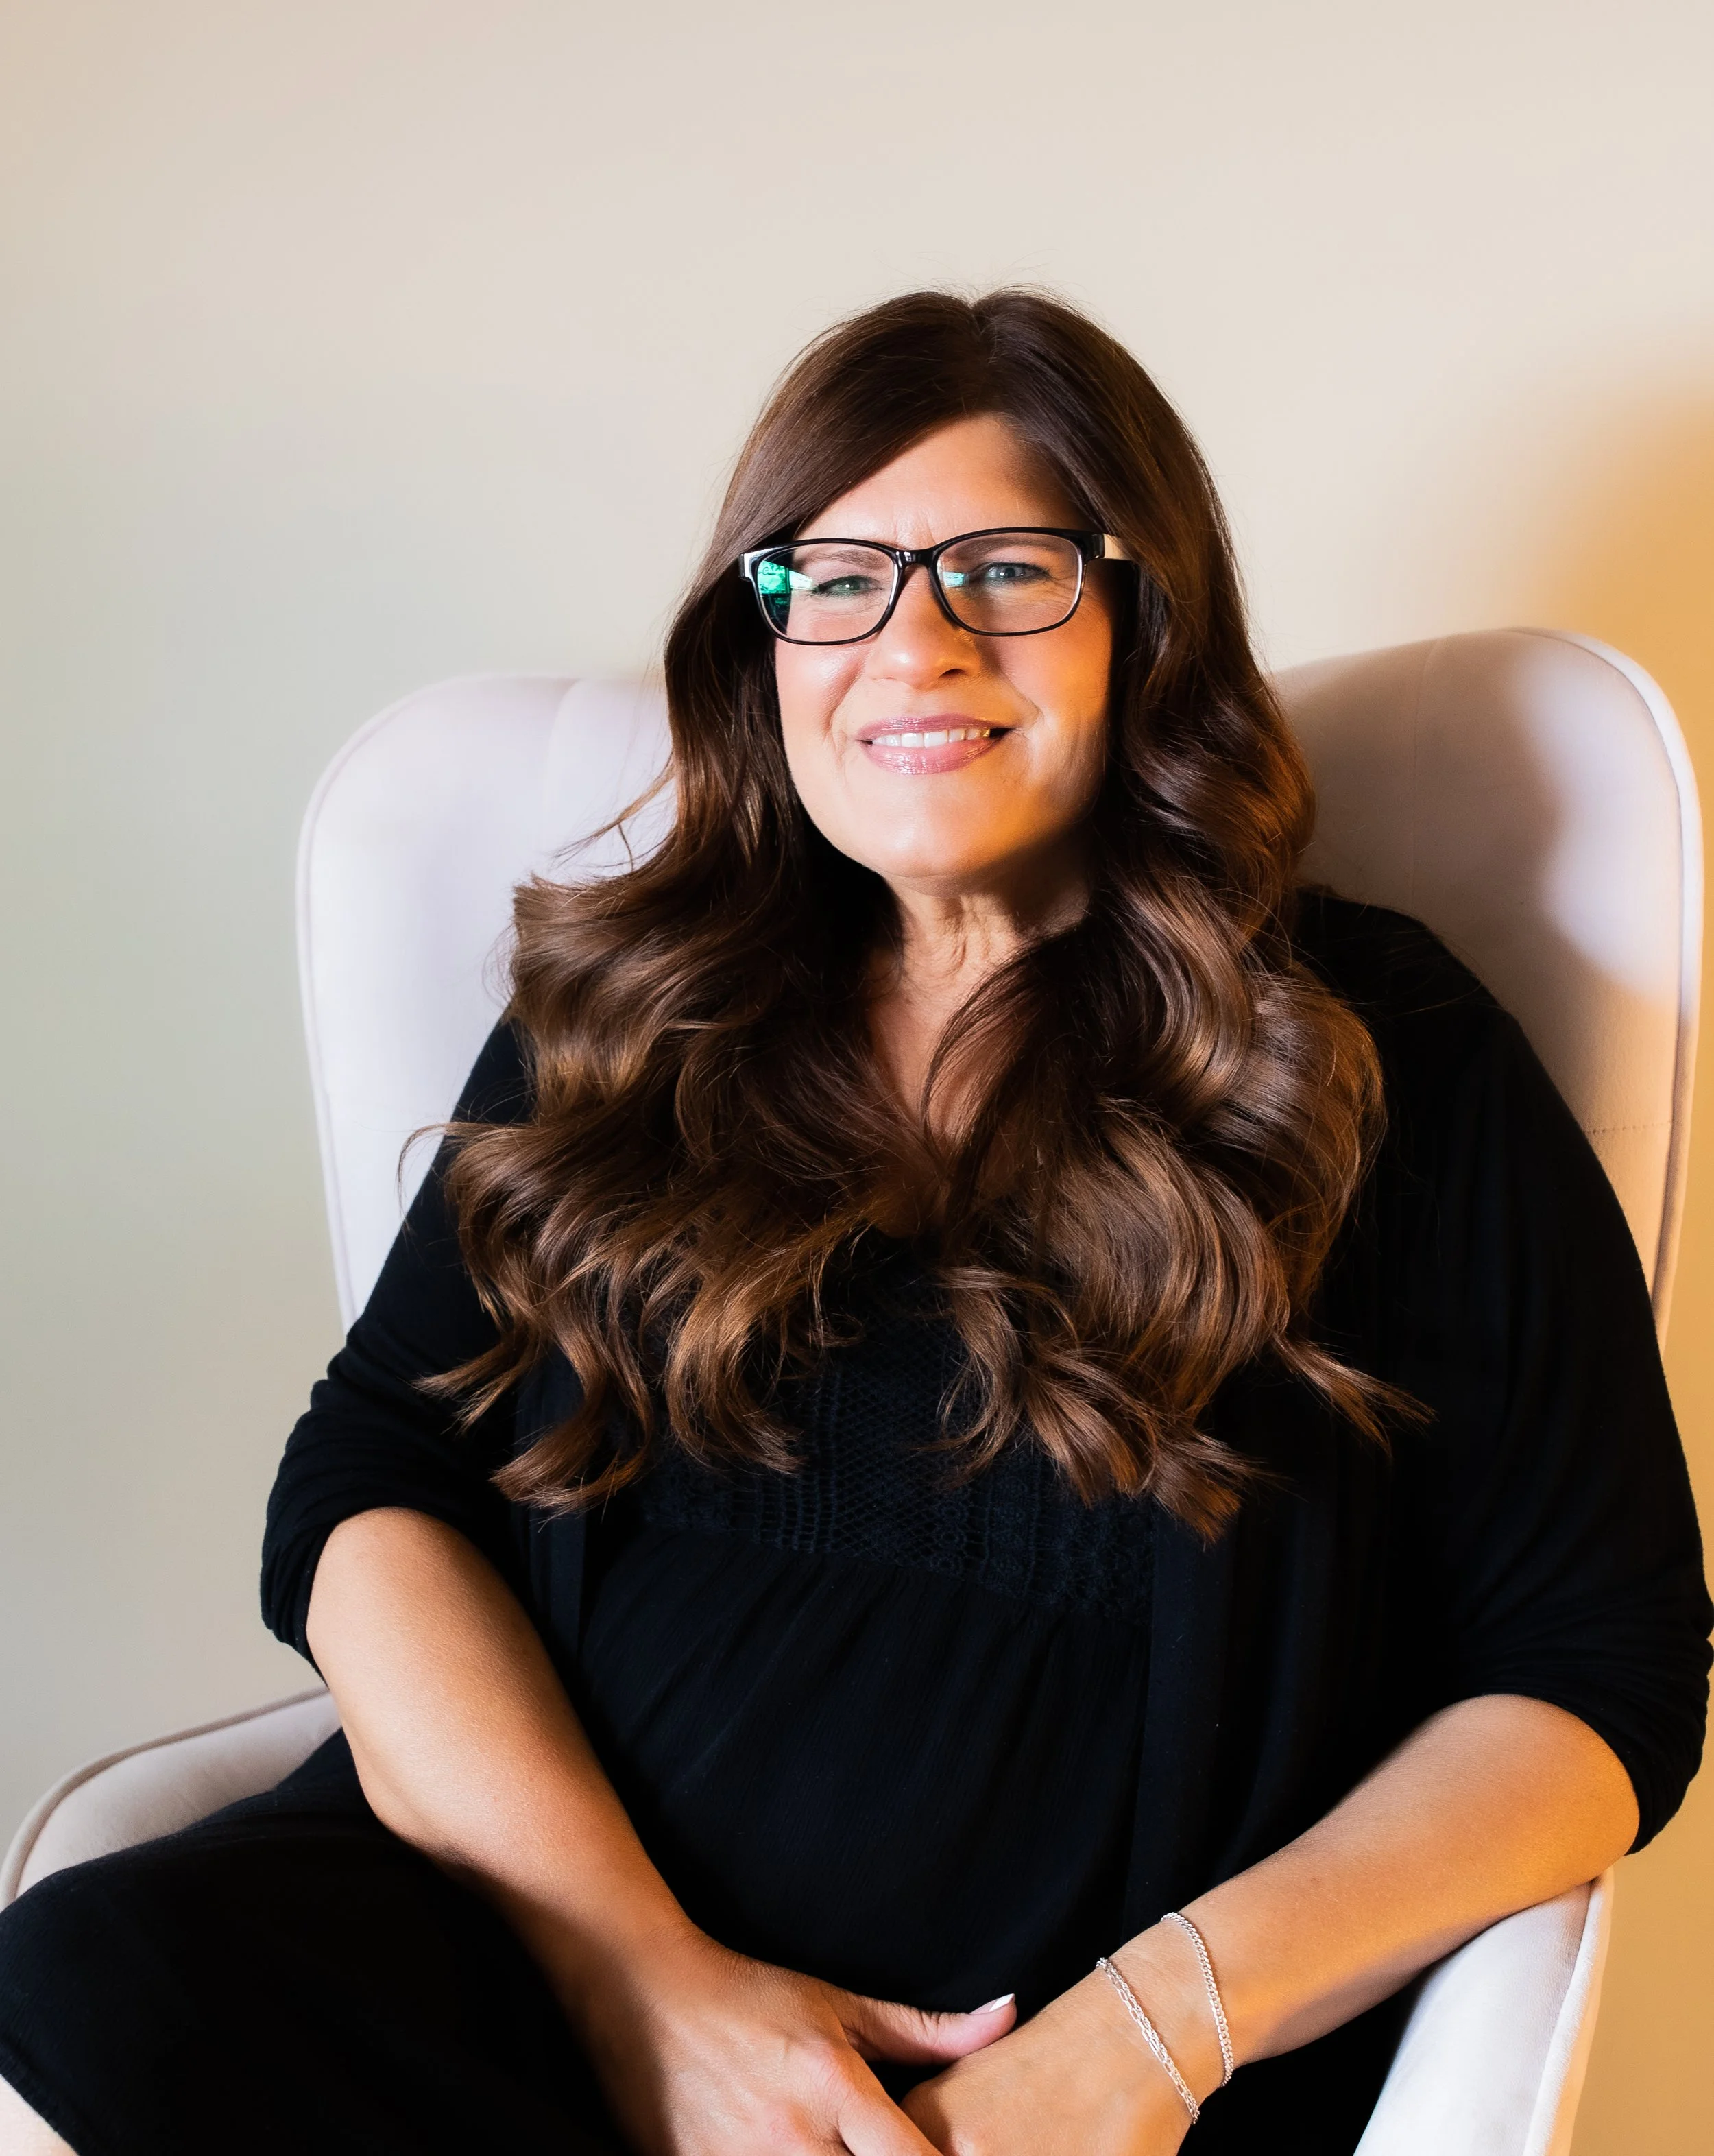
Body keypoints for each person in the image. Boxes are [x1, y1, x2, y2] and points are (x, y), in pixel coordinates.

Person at [0, 289, 1707, 2156]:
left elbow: (1591, 1681)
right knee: (94, 1982)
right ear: (768, 637)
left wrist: (1144, 2043)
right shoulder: (637, 1015)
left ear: (1146, 625)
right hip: (533, 2002)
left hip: (1041, 2097)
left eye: (1002, 570)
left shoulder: (1376, 1062)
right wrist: (641, 1987)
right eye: (836, 576)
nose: (914, 644)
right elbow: (373, 1476)